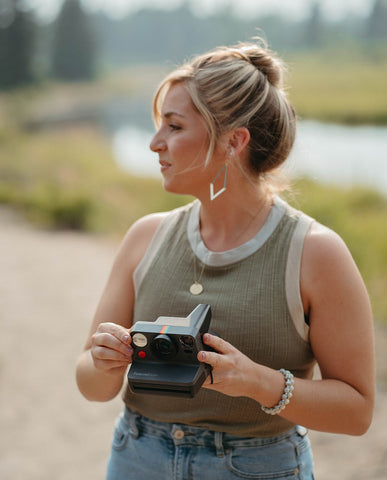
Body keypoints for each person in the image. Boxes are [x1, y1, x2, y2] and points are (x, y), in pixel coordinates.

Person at [76, 39, 375, 480]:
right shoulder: (145, 236)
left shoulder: (315, 252)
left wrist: (257, 382)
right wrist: (102, 362)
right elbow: (91, 385)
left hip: (257, 466)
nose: (155, 143)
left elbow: (358, 412)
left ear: (233, 141)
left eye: (174, 127)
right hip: (136, 457)